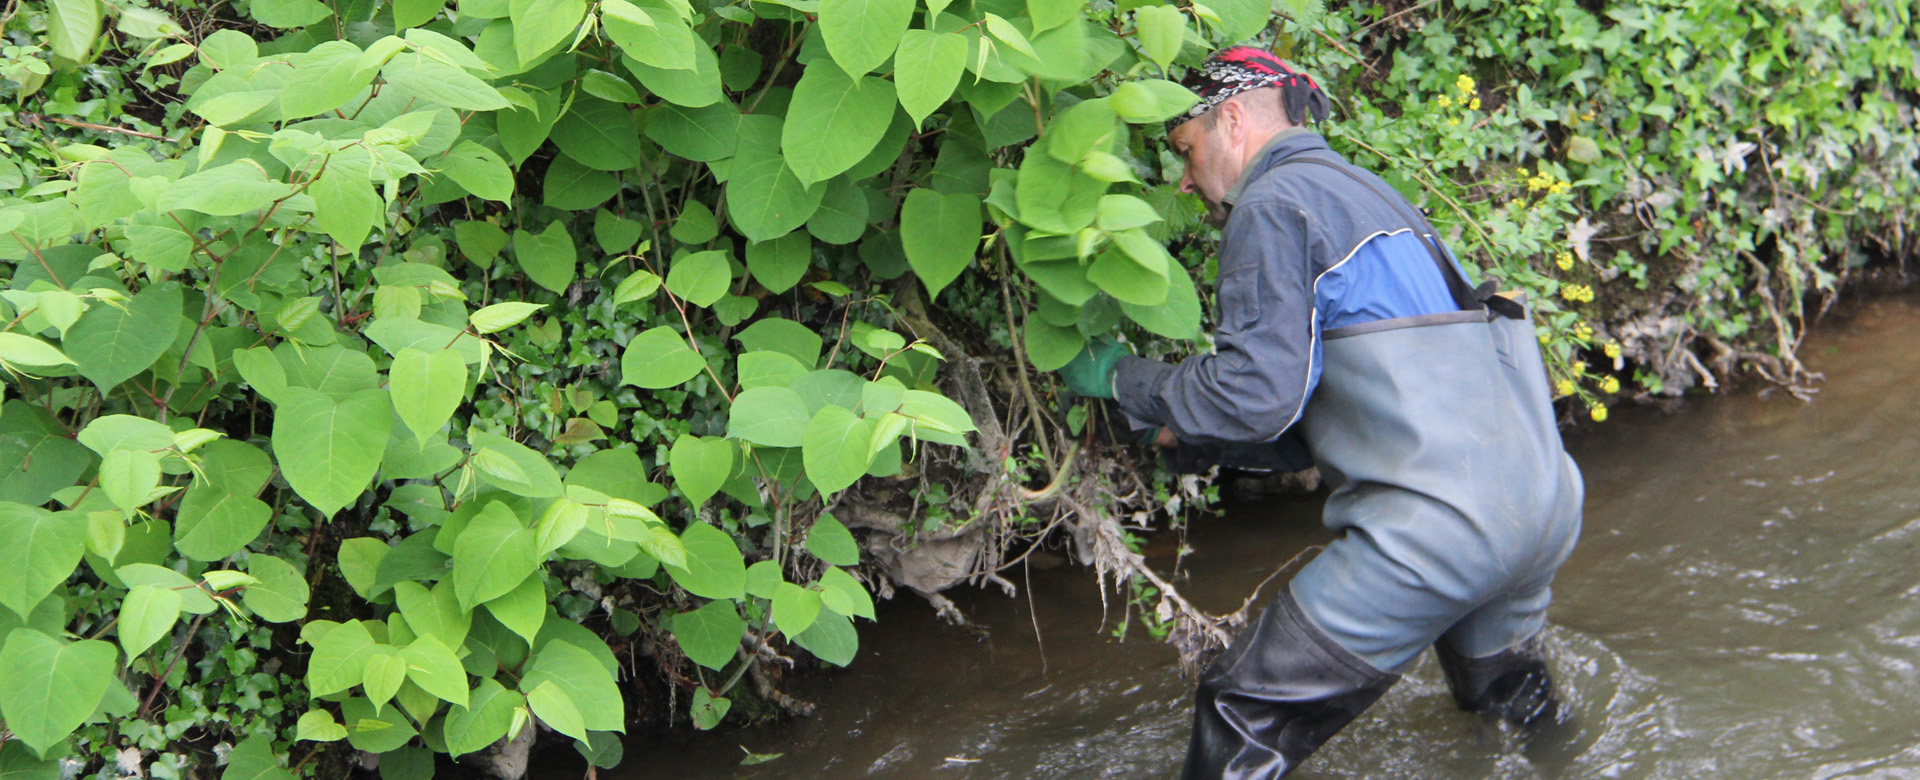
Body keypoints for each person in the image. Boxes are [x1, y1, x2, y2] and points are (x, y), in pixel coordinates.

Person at [1056, 47, 1586, 779]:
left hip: (1443, 529)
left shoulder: (1273, 205)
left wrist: (1124, 381)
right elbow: (1362, 401)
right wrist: (1186, 437)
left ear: (1232, 121)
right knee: (1510, 704)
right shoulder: (1376, 197)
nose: (1186, 178)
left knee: (1243, 707)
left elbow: (1255, 394)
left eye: (1185, 148)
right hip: (1543, 501)